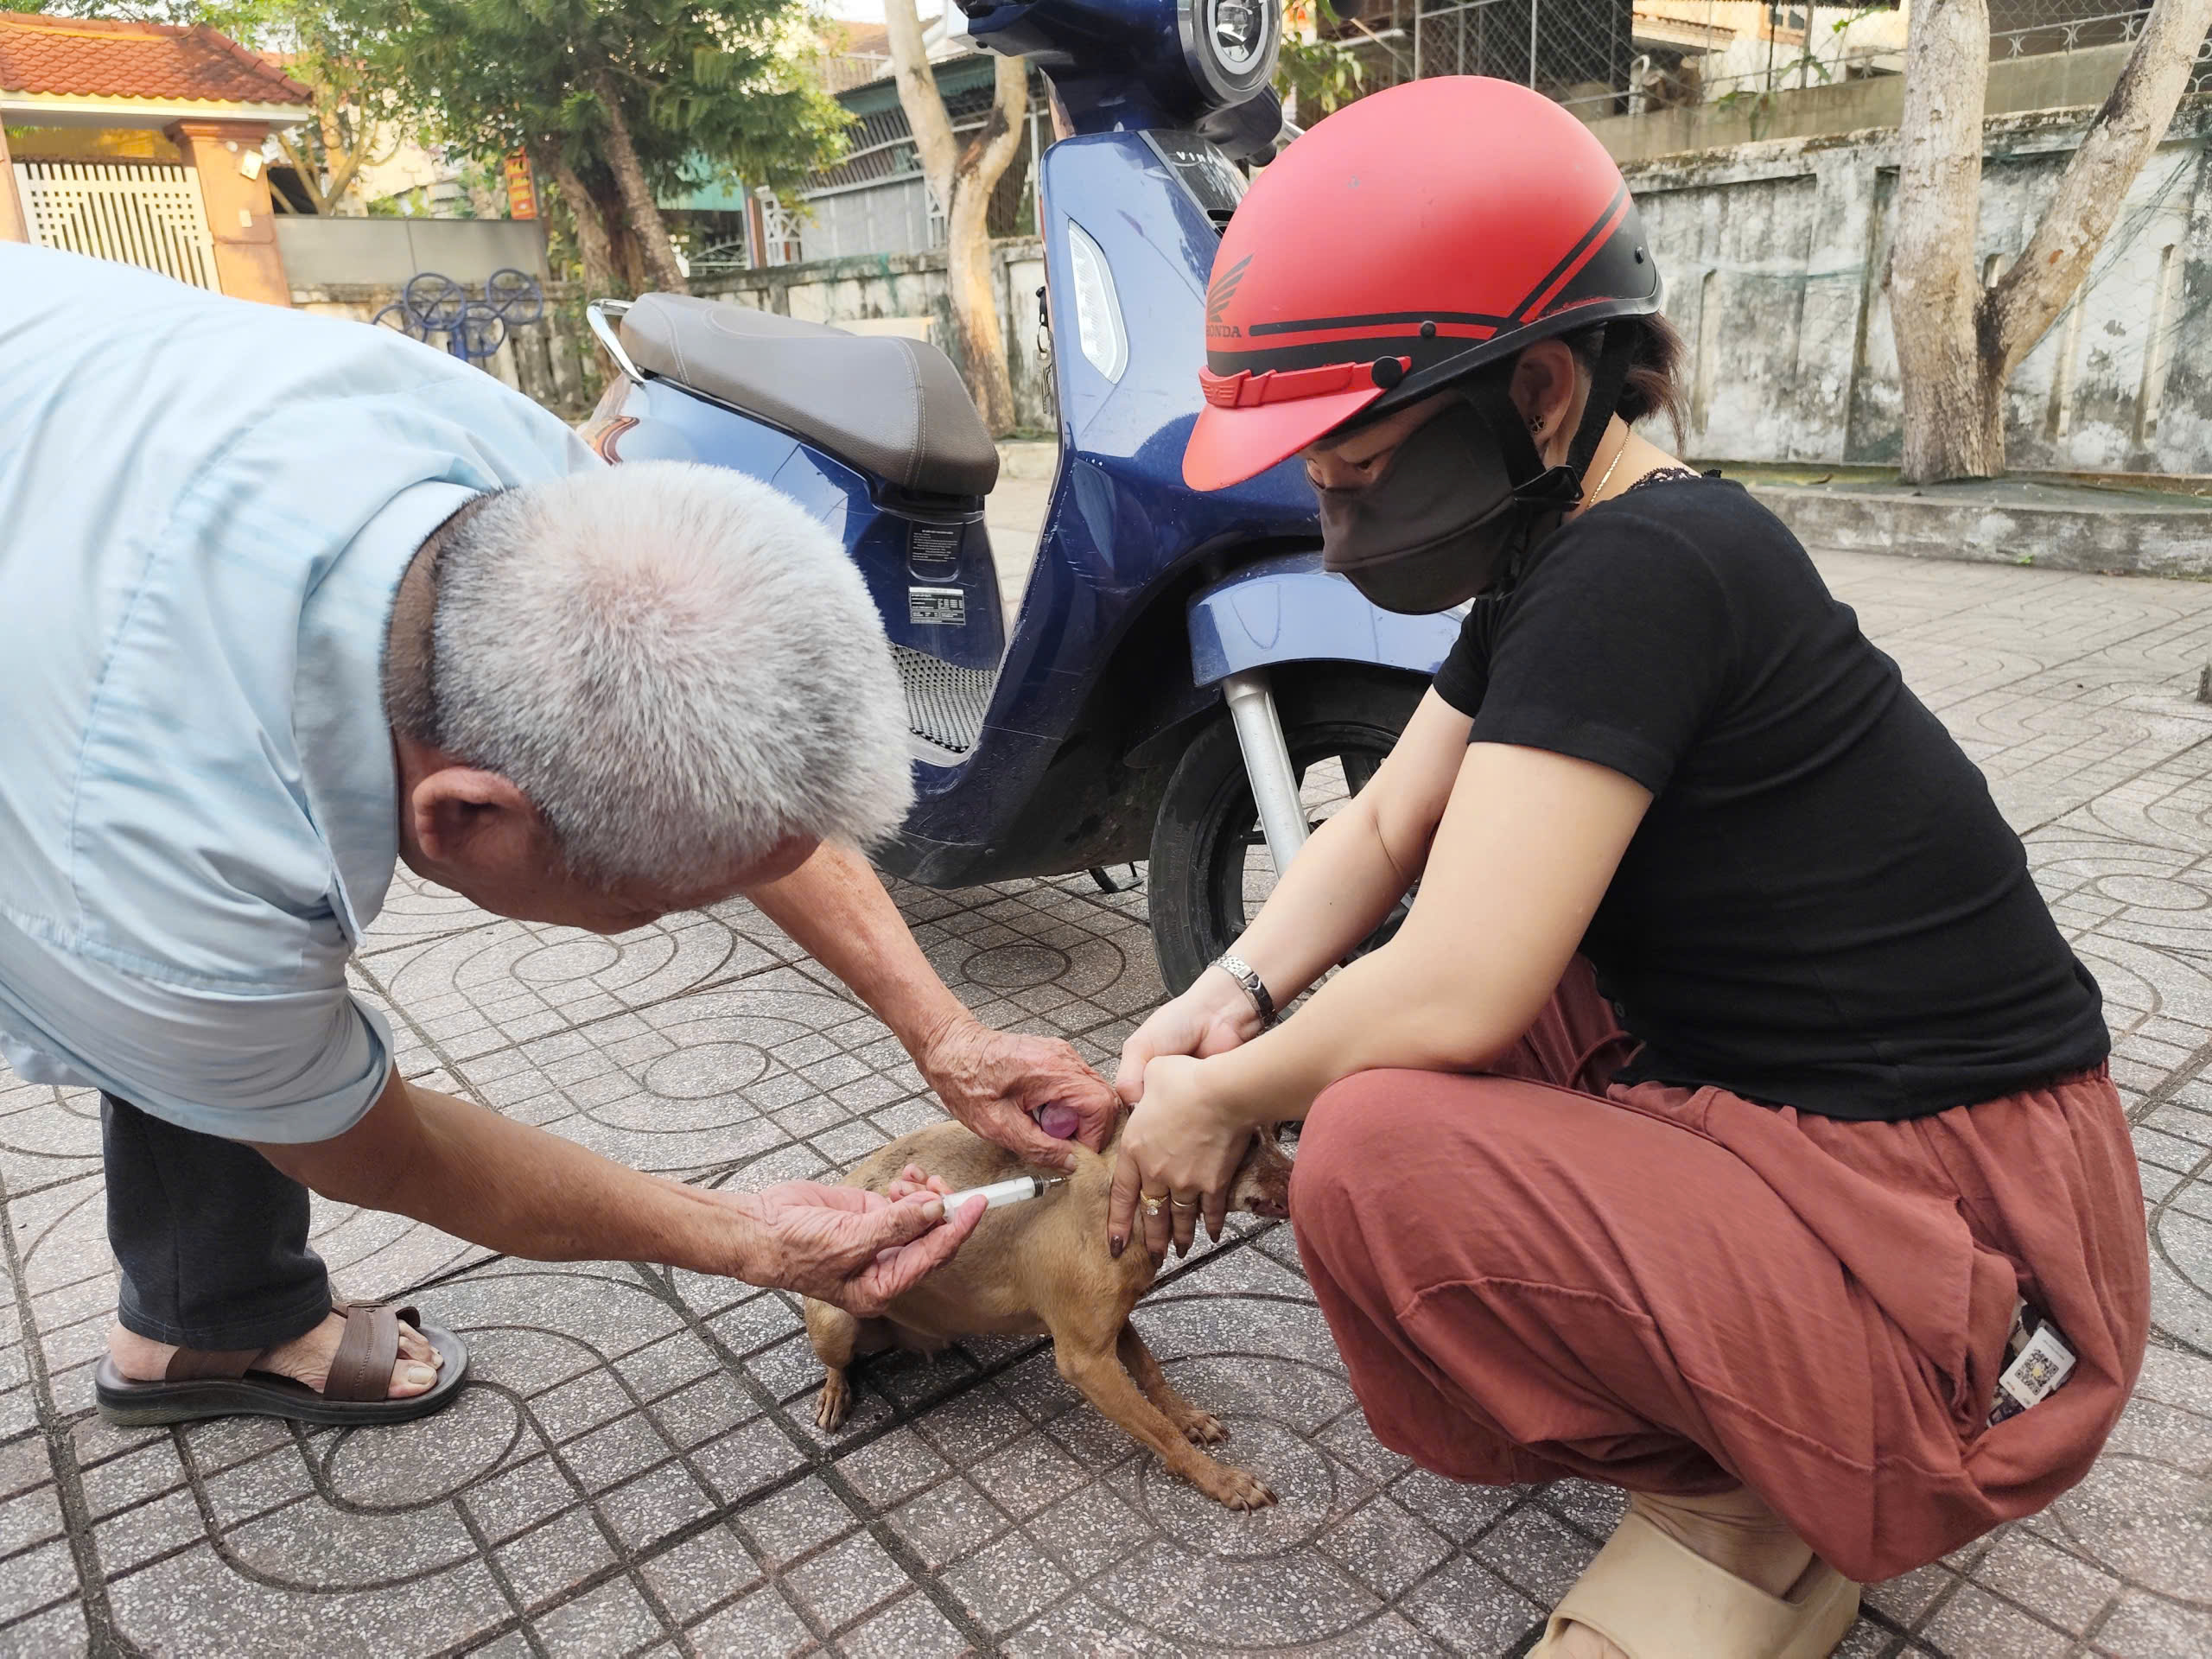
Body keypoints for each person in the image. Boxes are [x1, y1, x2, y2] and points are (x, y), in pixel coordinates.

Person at [1109, 78, 2150, 1659]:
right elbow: (1384, 827)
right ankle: (1777, 1418)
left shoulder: (1644, 571)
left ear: (1539, 391)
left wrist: (1227, 1099)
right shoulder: (1575, 550)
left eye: (1360, 470)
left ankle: (1774, 1485)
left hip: (1970, 1250)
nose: (1336, 522)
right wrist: (1232, 997)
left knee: (1379, 1142)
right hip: (1869, 1138)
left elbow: (1461, 981)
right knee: (1425, 998)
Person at [0, 244, 1115, 1427]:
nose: (675, 916)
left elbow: (752, 804)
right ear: (469, 816)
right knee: (203, 1025)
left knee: (205, 1036)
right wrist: (748, 1240)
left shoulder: (525, 480)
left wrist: (947, 1033)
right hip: (78, 735)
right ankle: (207, 1326)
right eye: (657, 904)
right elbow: (376, 1150)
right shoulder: (165, 882)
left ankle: (200, 1302)